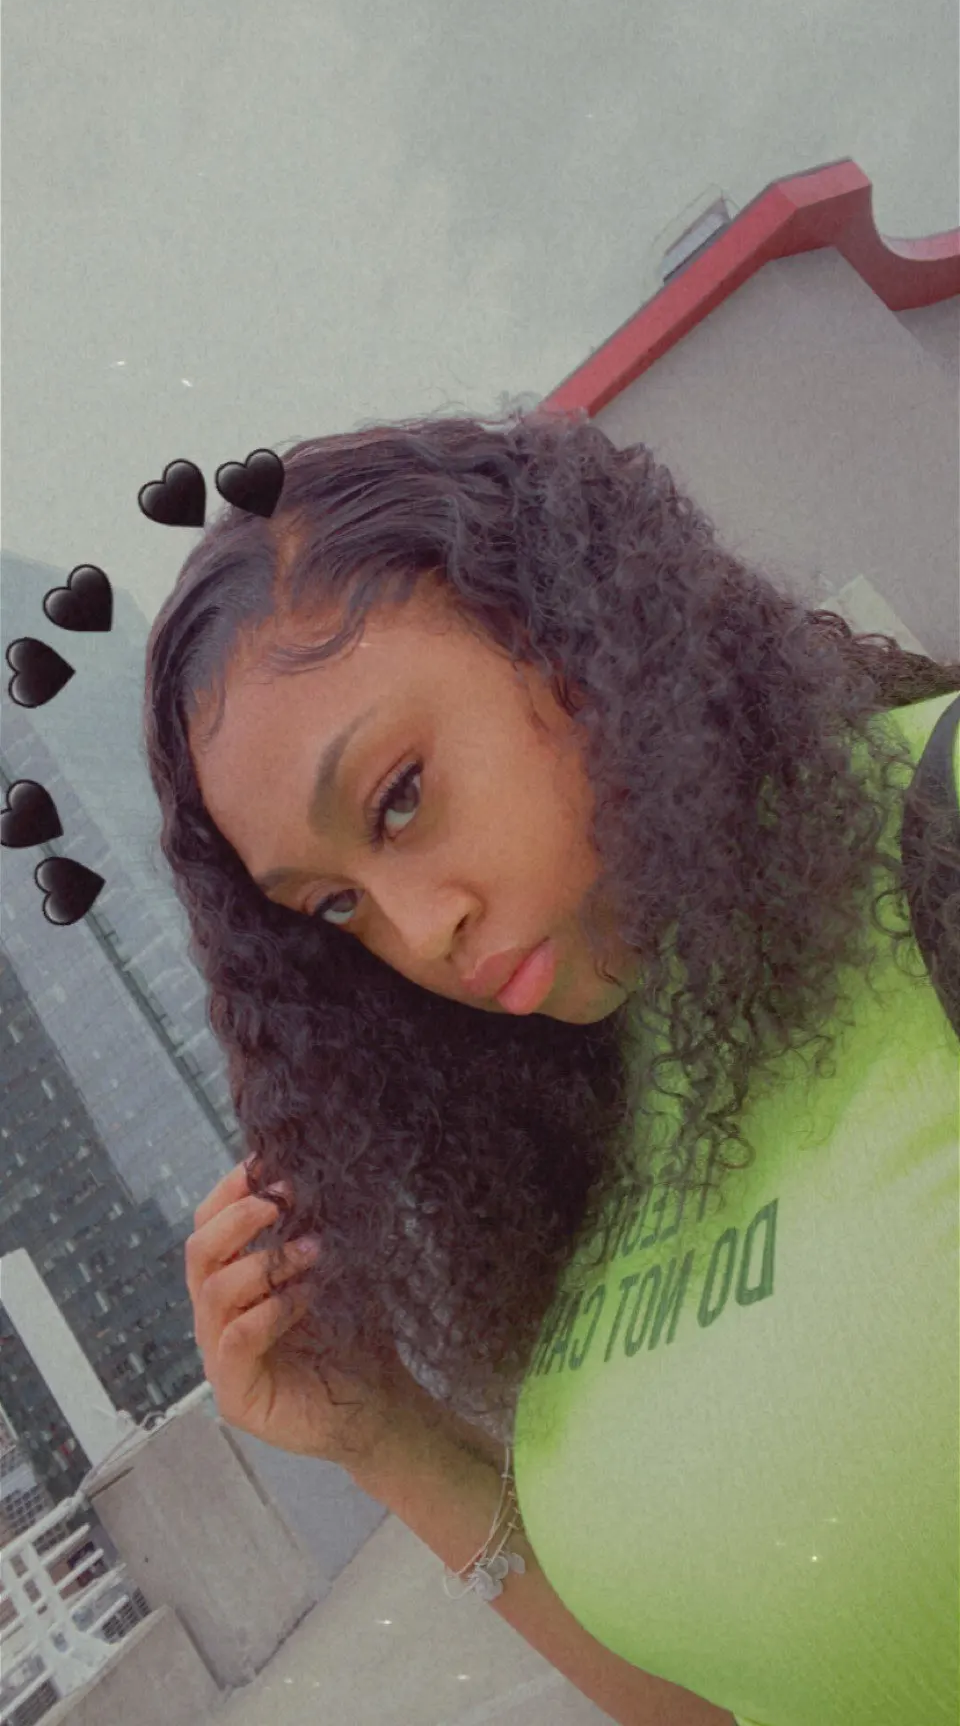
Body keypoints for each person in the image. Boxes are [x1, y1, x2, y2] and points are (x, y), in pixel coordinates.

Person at [147, 404, 959, 1725]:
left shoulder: (935, 836)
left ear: (565, 624)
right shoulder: (582, 1119)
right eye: (337, 907)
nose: (418, 931)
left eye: (401, 797)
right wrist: (386, 1444)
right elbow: (727, 1700)